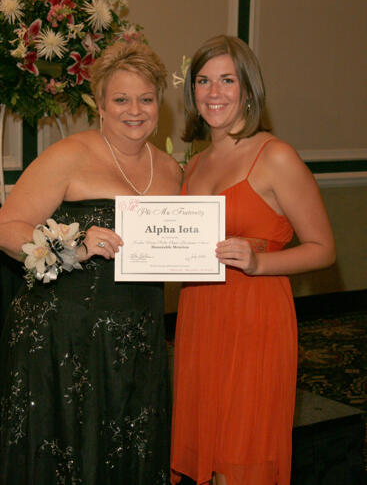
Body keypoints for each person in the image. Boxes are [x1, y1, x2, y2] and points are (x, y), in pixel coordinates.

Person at [0, 41, 182, 484]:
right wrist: (73, 247)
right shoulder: (70, 154)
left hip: (138, 336)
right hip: (62, 336)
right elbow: (7, 226)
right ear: (100, 105)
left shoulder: (173, 171)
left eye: (145, 98)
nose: (133, 110)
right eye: (120, 99)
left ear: (159, 104)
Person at [170, 35, 336, 485]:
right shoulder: (196, 163)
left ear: (248, 88)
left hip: (254, 317)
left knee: (242, 453)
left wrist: (259, 262)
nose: (213, 92)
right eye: (203, 81)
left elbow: (323, 249)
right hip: (200, 315)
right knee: (208, 451)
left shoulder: (275, 156)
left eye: (227, 79)